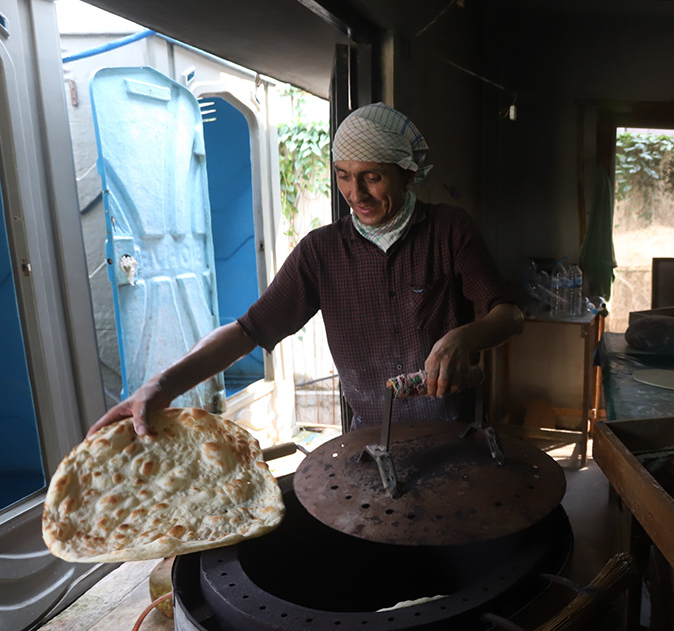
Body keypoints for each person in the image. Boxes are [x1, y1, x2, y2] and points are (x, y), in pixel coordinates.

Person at [88, 103, 523, 437]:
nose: (357, 194)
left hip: (453, 435)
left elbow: (509, 316)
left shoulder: (449, 231)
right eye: (344, 176)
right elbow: (247, 331)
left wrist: (461, 337)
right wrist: (161, 387)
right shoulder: (322, 253)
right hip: (370, 441)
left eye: (372, 177)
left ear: (408, 175)